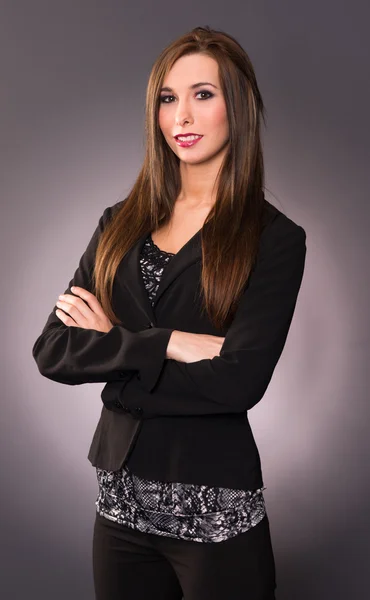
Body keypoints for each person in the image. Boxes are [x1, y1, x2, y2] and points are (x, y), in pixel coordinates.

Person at [32, 25, 307, 600]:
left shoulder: (273, 239)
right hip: (120, 507)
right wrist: (167, 342)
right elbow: (53, 351)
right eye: (168, 97)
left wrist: (113, 349)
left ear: (239, 106)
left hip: (215, 511)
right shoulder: (119, 223)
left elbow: (237, 383)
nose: (181, 114)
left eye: (203, 94)